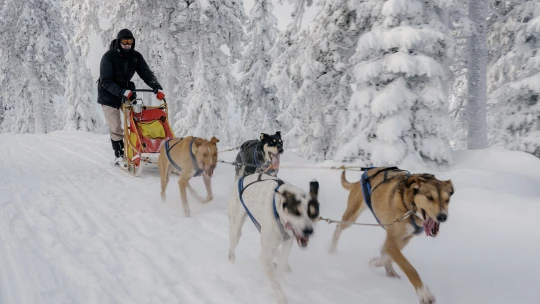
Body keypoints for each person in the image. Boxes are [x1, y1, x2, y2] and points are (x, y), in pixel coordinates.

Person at [97, 29, 165, 168]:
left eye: (130, 42)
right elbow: (105, 81)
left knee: (137, 120)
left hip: (127, 92)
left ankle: (142, 149)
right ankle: (120, 156)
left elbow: (146, 74)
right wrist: (121, 91)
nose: (127, 45)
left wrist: (156, 88)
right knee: (116, 126)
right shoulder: (108, 57)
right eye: (124, 42)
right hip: (108, 95)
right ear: (119, 42)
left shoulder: (135, 57)